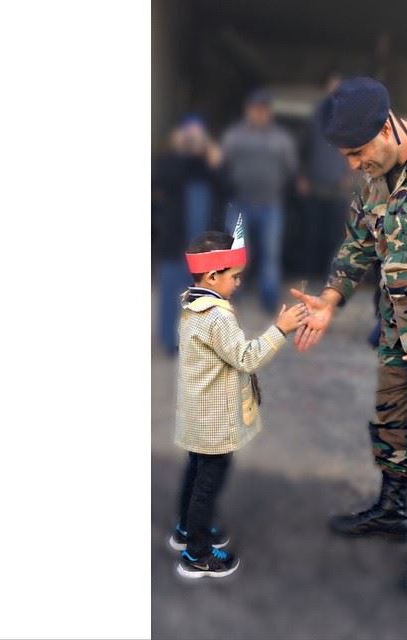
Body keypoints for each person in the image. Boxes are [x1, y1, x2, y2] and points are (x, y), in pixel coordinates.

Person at [291, 77, 407, 595]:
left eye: (357, 152)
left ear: (387, 127)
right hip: (398, 330)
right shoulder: (375, 177)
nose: (352, 165)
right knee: (392, 423)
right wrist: (331, 300)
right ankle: (392, 509)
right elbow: (359, 245)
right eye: (346, 156)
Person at [170, 218, 307, 579]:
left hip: (197, 414)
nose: (239, 282)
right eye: (234, 276)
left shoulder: (192, 302)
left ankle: (187, 529)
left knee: (197, 471)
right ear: (212, 277)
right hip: (213, 420)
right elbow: (247, 357)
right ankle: (197, 555)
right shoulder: (217, 317)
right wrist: (280, 330)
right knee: (208, 481)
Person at [152, 114, 225, 354]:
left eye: (198, 137)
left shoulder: (209, 167)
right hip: (175, 243)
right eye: (189, 136)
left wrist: (215, 159)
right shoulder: (170, 163)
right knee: (170, 295)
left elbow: (228, 189)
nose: (194, 142)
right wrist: (179, 151)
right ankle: (168, 341)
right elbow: (160, 179)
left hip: (203, 249)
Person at [221, 89, 298, 313]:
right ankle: (231, 295)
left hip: (270, 205)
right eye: (255, 109)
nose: (259, 114)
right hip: (239, 204)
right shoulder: (234, 136)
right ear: (247, 111)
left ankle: (268, 301)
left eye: (263, 110)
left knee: (270, 255)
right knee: (237, 255)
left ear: (268, 112)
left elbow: (290, 168)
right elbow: (222, 163)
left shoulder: (281, 139)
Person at [296, 73, 352, 278]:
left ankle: (328, 278)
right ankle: (307, 276)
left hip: (337, 189)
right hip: (314, 187)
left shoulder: (349, 119)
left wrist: (348, 174)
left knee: (334, 237)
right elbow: (302, 149)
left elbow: (355, 149)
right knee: (311, 235)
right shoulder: (315, 118)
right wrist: (301, 176)